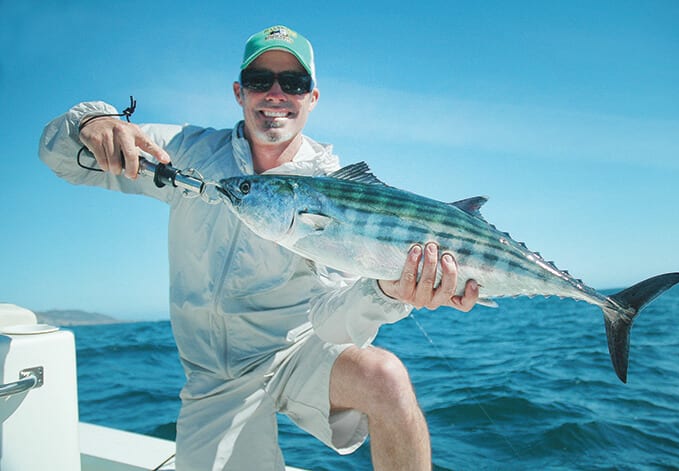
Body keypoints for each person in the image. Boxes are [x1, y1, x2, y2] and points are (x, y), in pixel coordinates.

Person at [39, 25, 479, 471]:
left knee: (387, 379)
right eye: (259, 80)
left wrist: (386, 294)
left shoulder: (331, 183)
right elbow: (60, 158)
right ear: (239, 92)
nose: (275, 93)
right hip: (214, 379)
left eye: (293, 83)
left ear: (312, 97)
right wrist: (92, 121)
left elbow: (335, 324)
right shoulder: (188, 151)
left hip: (296, 353)